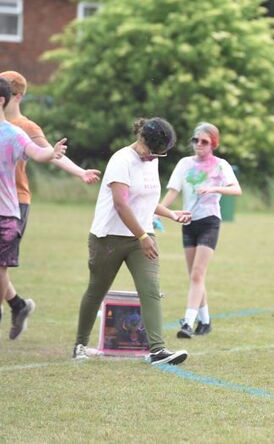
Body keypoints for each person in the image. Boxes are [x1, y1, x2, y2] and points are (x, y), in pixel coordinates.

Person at [73, 118, 192, 365]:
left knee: (150, 290)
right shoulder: (121, 160)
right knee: (96, 290)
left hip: (141, 237)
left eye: (159, 154)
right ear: (142, 139)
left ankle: (157, 350)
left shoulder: (152, 161)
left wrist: (171, 214)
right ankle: (80, 345)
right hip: (108, 238)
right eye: (152, 151)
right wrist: (143, 237)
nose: (154, 157)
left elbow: (146, 200)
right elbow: (121, 203)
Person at [0, 71, 101, 340]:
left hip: (15, 202)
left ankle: (13, 306)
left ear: (15, 96)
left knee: (1, 263)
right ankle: (18, 305)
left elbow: (50, 154)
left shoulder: (25, 127)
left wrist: (80, 172)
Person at [0, 78, 69, 340]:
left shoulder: (15, 133)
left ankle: (12, 308)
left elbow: (38, 153)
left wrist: (52, 152)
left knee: (0, 270)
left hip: (6, 214)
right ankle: (18, 305)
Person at [162, 123, 241, 338]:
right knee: (195, 276)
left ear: (213, 143)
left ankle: (188, 322)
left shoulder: (221, 165)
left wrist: (213, 188)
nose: (199, 144)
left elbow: (237, 189)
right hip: (188, 222)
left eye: (204, 141)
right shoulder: (184, 163)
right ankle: (205, 322)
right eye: (195, 140)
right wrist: (157, 212)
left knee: (197, 273)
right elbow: (173, 191)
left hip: (209, 221)